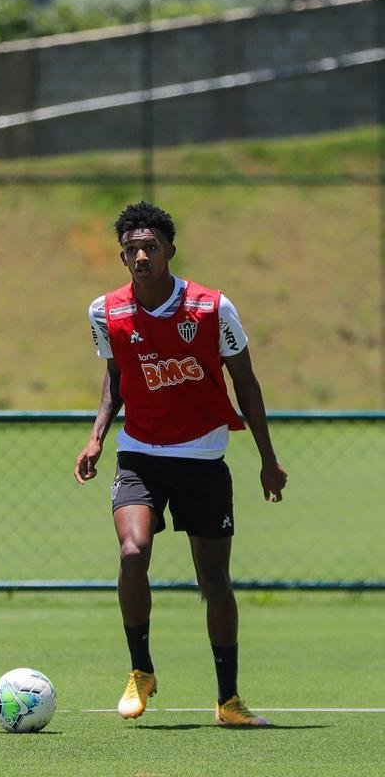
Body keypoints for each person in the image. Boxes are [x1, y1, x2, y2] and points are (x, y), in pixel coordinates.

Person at [73, 202, 287, 727]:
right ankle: (141, 670)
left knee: (214, 581)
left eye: (150, 246)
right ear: (123, 257)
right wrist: (97, 437)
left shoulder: (212, 308)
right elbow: (116, 376)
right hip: (140, 453)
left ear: (170, 249)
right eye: (131, 249)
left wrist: (268, 458)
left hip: (203, 456)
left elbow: (245, 381)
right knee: (132, 551)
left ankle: (228, 701)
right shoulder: (105, 312)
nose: (141, 256)